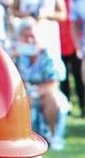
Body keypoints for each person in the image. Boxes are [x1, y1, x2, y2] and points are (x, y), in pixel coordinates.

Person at [13, 18, 71, 150]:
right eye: (25, 37)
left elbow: (53, 83)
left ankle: (53, 136)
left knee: (54, 99)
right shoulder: (18, 56)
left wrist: (33, 93)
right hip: (22, 93)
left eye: (32, 37)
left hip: (45, 93)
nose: (29, 41)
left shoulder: (47, 55)